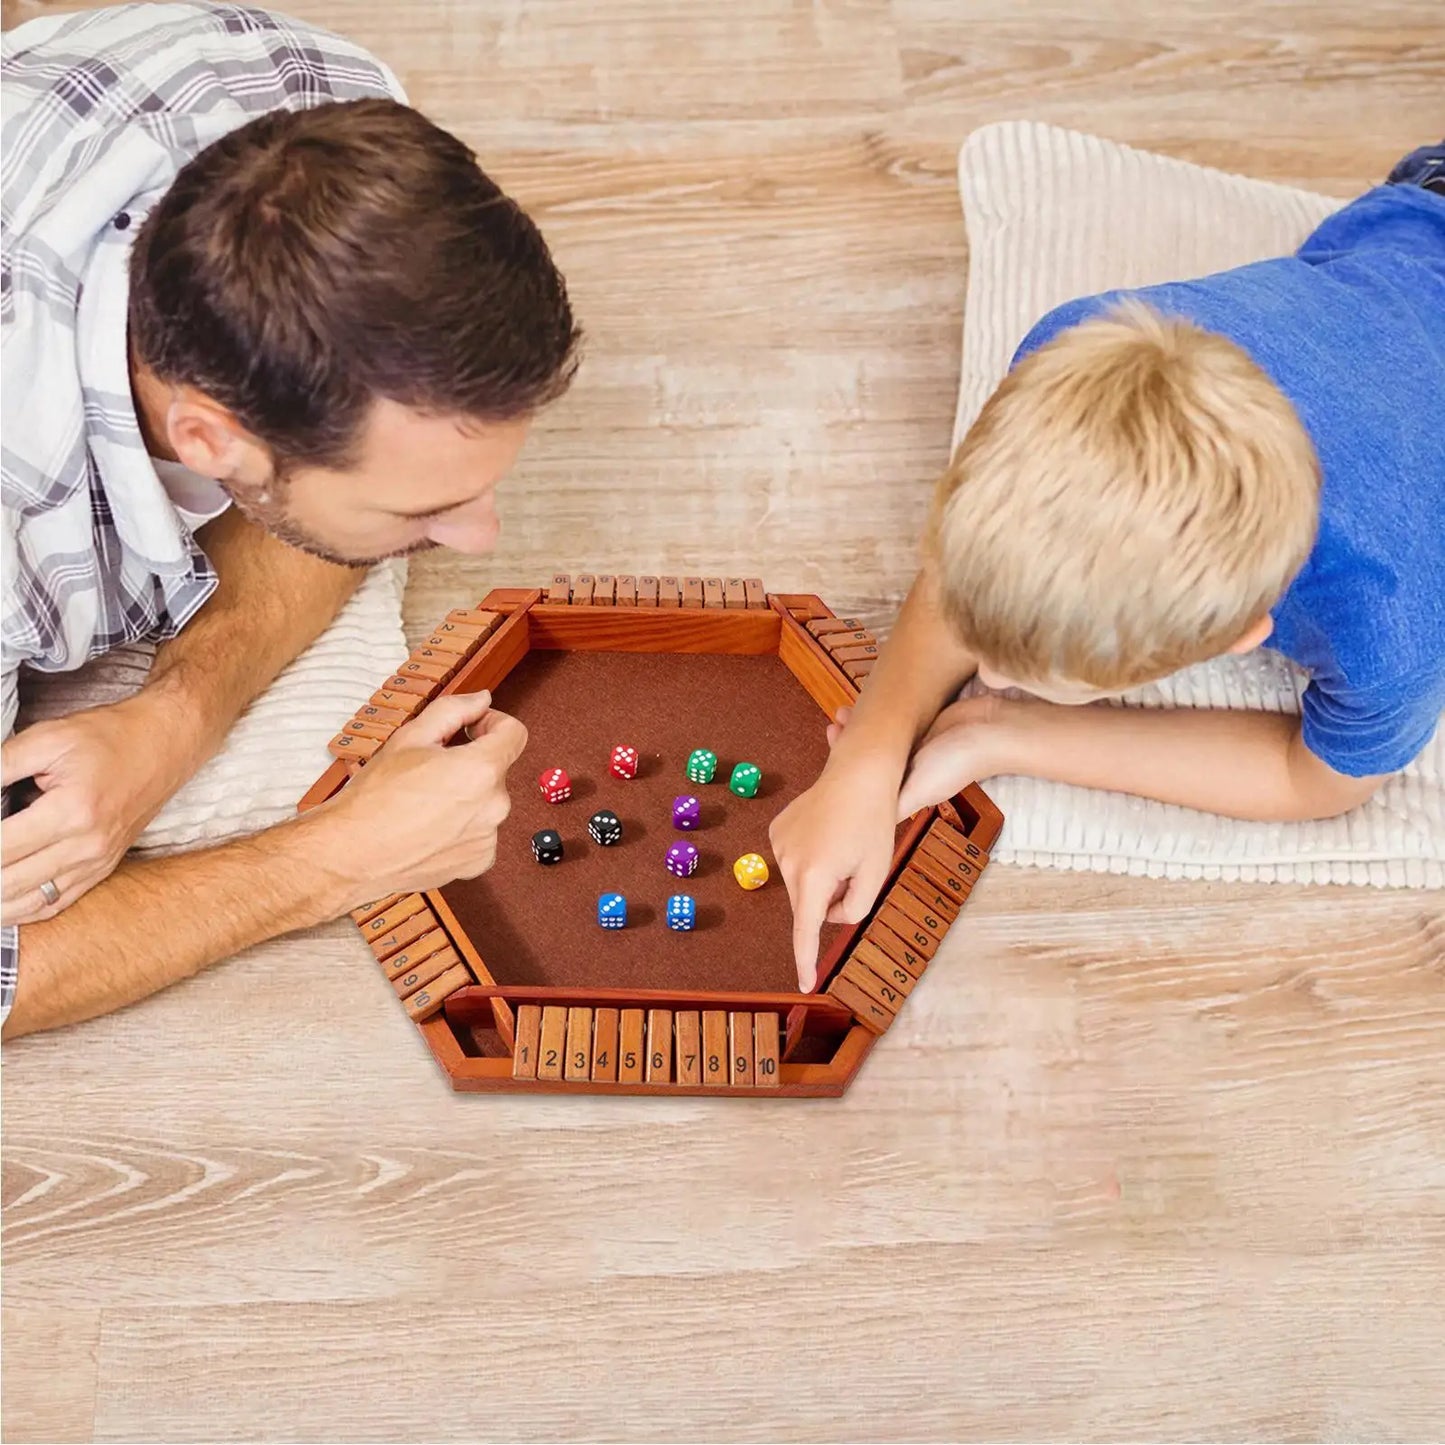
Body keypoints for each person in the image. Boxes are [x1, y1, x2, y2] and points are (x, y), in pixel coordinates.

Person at [0, 5, 580, 1036]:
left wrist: (173, 721)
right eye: (423, 508)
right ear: (211, 440)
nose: (481, 534)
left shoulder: (313, 95)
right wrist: (336, 857)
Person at [772, 146, 1445, 989]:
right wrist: (866, 756)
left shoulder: (1396, 622)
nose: (976, 671)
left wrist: (1011, 732)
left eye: (1028, 676)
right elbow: (967, 562)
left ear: (1241, 635)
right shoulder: (1068, 349)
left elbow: (1317, 779)